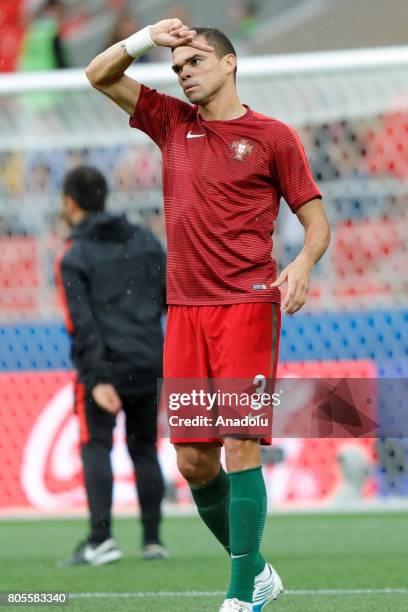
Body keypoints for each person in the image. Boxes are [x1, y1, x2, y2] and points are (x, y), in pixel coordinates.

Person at [86, 20, 330, 610]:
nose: (183, 74)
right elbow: (98, 75)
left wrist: (302, 263)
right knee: (194, 461)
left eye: (193, 62)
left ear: (229, 63)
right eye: (176, 68)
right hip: (186, 310)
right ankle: (260, 571)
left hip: (246, 306)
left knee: (241, 443)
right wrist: (147, 36)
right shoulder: (171, 123)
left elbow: (315, 221)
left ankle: (242, 594)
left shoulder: (273, 137)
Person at [55, 165, 168, 565]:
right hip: (149, 360)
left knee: (96, 446)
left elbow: (79, 322)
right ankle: (153, 540)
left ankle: (100, 539)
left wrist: (97, 376)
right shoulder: (146, 240)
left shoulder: (74, 254)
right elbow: (169, 296)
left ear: (70, 202)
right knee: (144, 449)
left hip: (104, 366)